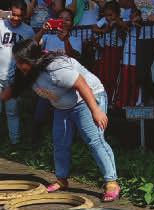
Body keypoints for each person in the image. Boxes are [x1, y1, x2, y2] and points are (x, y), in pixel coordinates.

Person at [0, 39, 121, 201]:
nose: (18, 64)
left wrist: (96, 110)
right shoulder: (26, 73)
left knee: (94, 140)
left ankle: (111, 182)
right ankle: (62, 180)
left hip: (87, 98)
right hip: (63, 106)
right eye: (17, 60)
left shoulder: (55, 67)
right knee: (60, 141)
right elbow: (8, 93)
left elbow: (81, 84)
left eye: (21, 61)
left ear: (32, 60)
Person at [32, 7, 82, 144]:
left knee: (67, 117)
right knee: (40, 115)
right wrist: (43, 30)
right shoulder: (48, 37)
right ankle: (37, 144)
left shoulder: (76, 39)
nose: (64, 22)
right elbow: (32, 46)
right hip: (47, 84)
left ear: (72, 23)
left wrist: (66, 40)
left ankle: (68, 143)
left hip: (67, 85)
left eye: (68, 19)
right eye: (61, 18)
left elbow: (75, 57)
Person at [0, 0, 34, 145]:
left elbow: (31, 56)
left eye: (19, 16)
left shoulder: (28, 31)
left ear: (24, 15)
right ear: (9, 12)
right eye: (13, 15)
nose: (15, 18)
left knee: (12, 112)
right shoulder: (1, 25)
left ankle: (15, 144)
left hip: (14, 79)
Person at [92, 0, 127, 104]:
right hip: (107, 49)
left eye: (111, 15)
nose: (108, 17)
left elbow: (126, 27)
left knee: (115, 74)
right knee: (105, 74)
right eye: (106, 15)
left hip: (118, 50)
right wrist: (104, 30)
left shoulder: (121, 20)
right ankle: (105, 98)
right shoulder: (104, 20)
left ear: (117, 14)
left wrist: (117, 22)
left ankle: (114, 99)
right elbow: (94, 28)